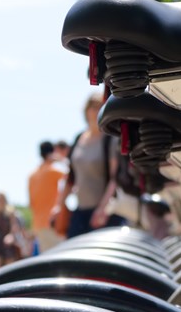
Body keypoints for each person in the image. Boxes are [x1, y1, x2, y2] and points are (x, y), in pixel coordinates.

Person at [52, 92, 125, 238]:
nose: (95, 111)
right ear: (86, 111)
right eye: (92, 107)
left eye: (99, 107)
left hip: (104, 213)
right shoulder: (79, 139)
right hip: (80, 211)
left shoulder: (110, 139)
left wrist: (102, 208)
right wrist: (59, 205)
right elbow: (71, 176)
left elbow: (115, 177)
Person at [28, 140, 68, 254]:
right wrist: (62, 160)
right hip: (53, 223)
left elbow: (31, 203)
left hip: (38, 225)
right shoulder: (53, 171)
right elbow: (72, 178)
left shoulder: (32, 176)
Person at [0, 192, 28, 270]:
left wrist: (11, 235)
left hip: (7, 244)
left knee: (9, 268)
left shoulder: (10, 213)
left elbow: (14, 226)